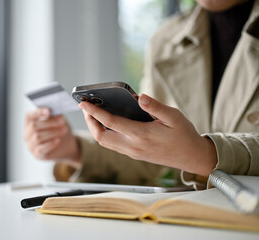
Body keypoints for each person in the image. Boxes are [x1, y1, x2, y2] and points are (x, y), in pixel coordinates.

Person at [24, 0, 259, 189]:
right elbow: (159, 166)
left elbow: (185, 157)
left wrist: (204, 154)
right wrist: (73, 148)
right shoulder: (165, 40)